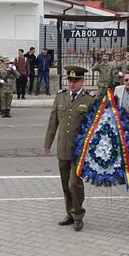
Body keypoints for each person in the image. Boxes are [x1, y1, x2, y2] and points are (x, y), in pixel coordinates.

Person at [43, 65, 96, 232]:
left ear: (82, 81)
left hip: (79, 150)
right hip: (63, 147)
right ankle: (70, 214)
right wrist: (47, 143)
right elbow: (53, 122)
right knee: (66, 184)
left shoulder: (90, 99)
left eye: (76, 81)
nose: (72, 84)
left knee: (75, 183)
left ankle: (78, 214)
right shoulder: (61, 97)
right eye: (70, 81)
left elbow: (94, 126)